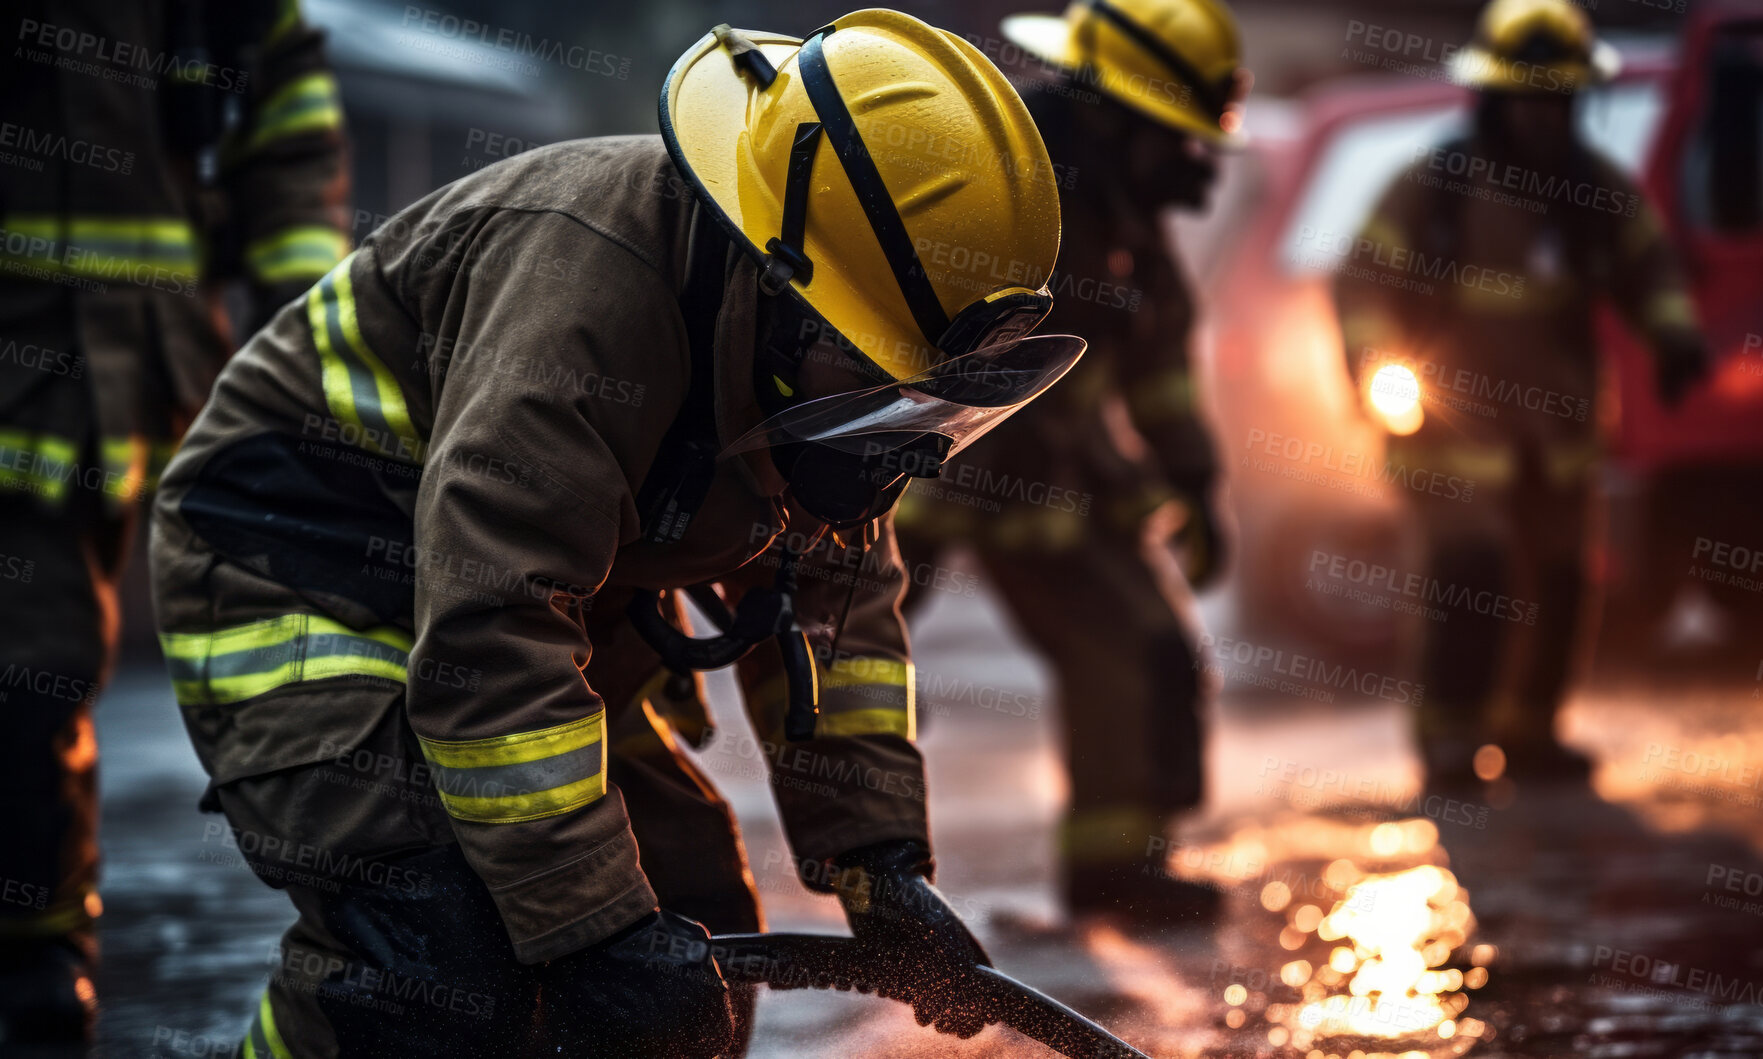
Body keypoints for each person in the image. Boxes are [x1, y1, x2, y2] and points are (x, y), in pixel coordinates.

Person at [149, 10, 1081, 1056]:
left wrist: (879, 866)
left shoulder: (827, 347)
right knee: (437, 949)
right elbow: (488, 631)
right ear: (784, 287)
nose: (895, 434)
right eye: (877, 377)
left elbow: (837, 616)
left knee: (688, 914)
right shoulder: (585, 301)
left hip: (530, 593)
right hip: (300, 561)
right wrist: (590, 934)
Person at [0, 0, 349, 1040]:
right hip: (70, 367)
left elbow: (284, 121)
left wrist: (309, 339)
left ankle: (34, 973)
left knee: (33, 680)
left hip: (123, 385)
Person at [893, 0, 1244, 924]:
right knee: (838, 649)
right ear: (1119, 113)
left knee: (1153, 654)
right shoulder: (1010, 183)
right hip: (942, 463)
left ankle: (1121, 866)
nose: (1188, 159)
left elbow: (1159, 355)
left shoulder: (1119, 193)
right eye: (1174, 135)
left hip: (1061, 477)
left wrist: (1197, 482)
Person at [1333, 0, 1709, 790]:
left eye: (1556, 99)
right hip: (1445, 438)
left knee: (1563, 582)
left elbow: (1653, 268)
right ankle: (1448, 743)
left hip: (1557, 433)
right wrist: (1374, 367)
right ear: (1492, 100)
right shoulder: (1434, 188)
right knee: (1469, 571)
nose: (1541, 116)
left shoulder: (1596, 193)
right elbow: (1360, 281)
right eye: (1526, 98)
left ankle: (1530, 734)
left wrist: (1674, 334)